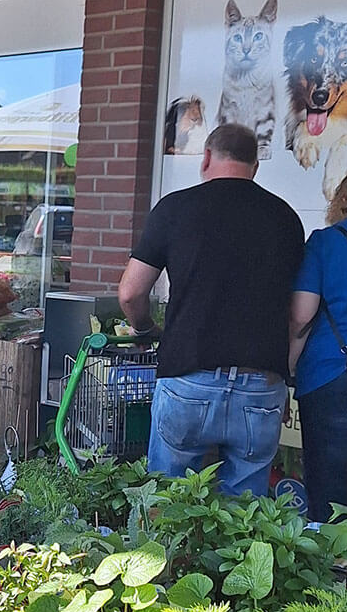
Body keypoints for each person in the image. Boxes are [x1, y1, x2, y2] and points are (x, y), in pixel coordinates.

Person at [117, 121, 304, 497]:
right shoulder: (286, 219)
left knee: (166, 505)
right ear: (255, 165)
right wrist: (286, 375)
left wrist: (143, 328)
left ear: (205, 158)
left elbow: (130, 293)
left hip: (189, 379)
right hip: (261, 386)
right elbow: (298, 314)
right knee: (244, 518)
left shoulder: (175, 209)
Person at [289, 163, 347, 521]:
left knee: (329, 494)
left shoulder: (327, 242)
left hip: (332, 374)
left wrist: (286, 368)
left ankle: (332, 575)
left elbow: (302, 316)